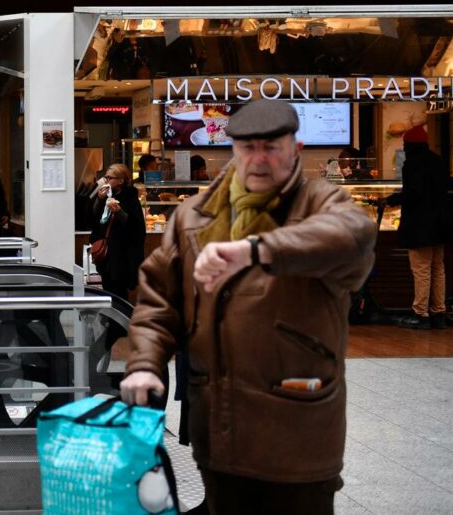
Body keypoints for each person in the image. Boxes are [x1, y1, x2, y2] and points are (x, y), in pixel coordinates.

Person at [120, 100, 376, 514]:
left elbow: (353, 236)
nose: (259, 159)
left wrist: (256, 250)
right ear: (233, 150)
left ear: (296, 147)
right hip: (218, 429)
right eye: (248, 148)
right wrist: (145, 363)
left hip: (300, 434)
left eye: (271, 147)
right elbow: (159, 301)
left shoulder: (321, 202)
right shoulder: (194, 216)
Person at [389, 126, 447, 329]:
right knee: (438, 269)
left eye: (405, 144)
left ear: (410, 145)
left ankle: (420, 313)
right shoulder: (438, 161)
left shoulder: (412, 164)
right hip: (440, 225)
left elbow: (414, 194)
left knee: (421, 270)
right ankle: (438, 312)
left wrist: (392, 199)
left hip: (420, 226)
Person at [90, 163, 145, 300]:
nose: (106, 181)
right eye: (106, 177)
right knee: (108, 288)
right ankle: (111, 320)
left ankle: (119, 319)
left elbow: (137, 228)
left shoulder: (131, 198)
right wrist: (98, 200)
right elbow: (92, 219)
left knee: (119, 292)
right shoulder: (107, 196)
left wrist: (119, 212)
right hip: (107, 254)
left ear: (121, 180)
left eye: (110, 178)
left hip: (122, 255)